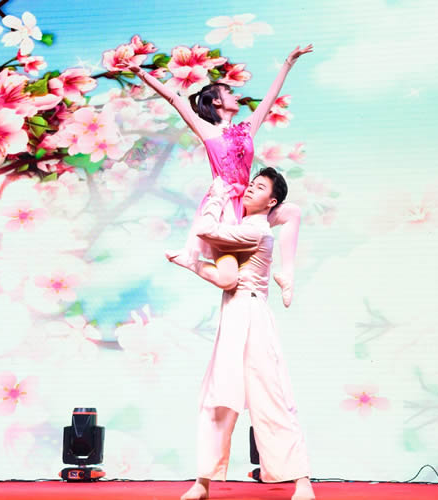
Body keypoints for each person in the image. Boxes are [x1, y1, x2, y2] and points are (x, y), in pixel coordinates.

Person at [128, 44, 313, 307]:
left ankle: (287, 275)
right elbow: (174, 99)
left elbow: (270, 99)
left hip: (248, 205)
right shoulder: (206, 130)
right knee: (229, 280)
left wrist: (288, 62)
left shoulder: (247, 129)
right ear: (216, 101)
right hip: (225, 206)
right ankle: (190, 260)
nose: (236, 97)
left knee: (292, 211)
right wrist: (141, 73)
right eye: (229, 93)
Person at [179, 168, 315, 500]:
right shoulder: (241, 224)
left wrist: (216, 196)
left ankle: (302, 483)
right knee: (218, 398)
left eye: (260, 187)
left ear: (272, 202)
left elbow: (206, 230)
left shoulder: (257, 231)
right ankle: (202, 482)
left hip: (253, 316)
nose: (251, 189)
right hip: (233, 316)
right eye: (251, 184)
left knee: (271, 397)